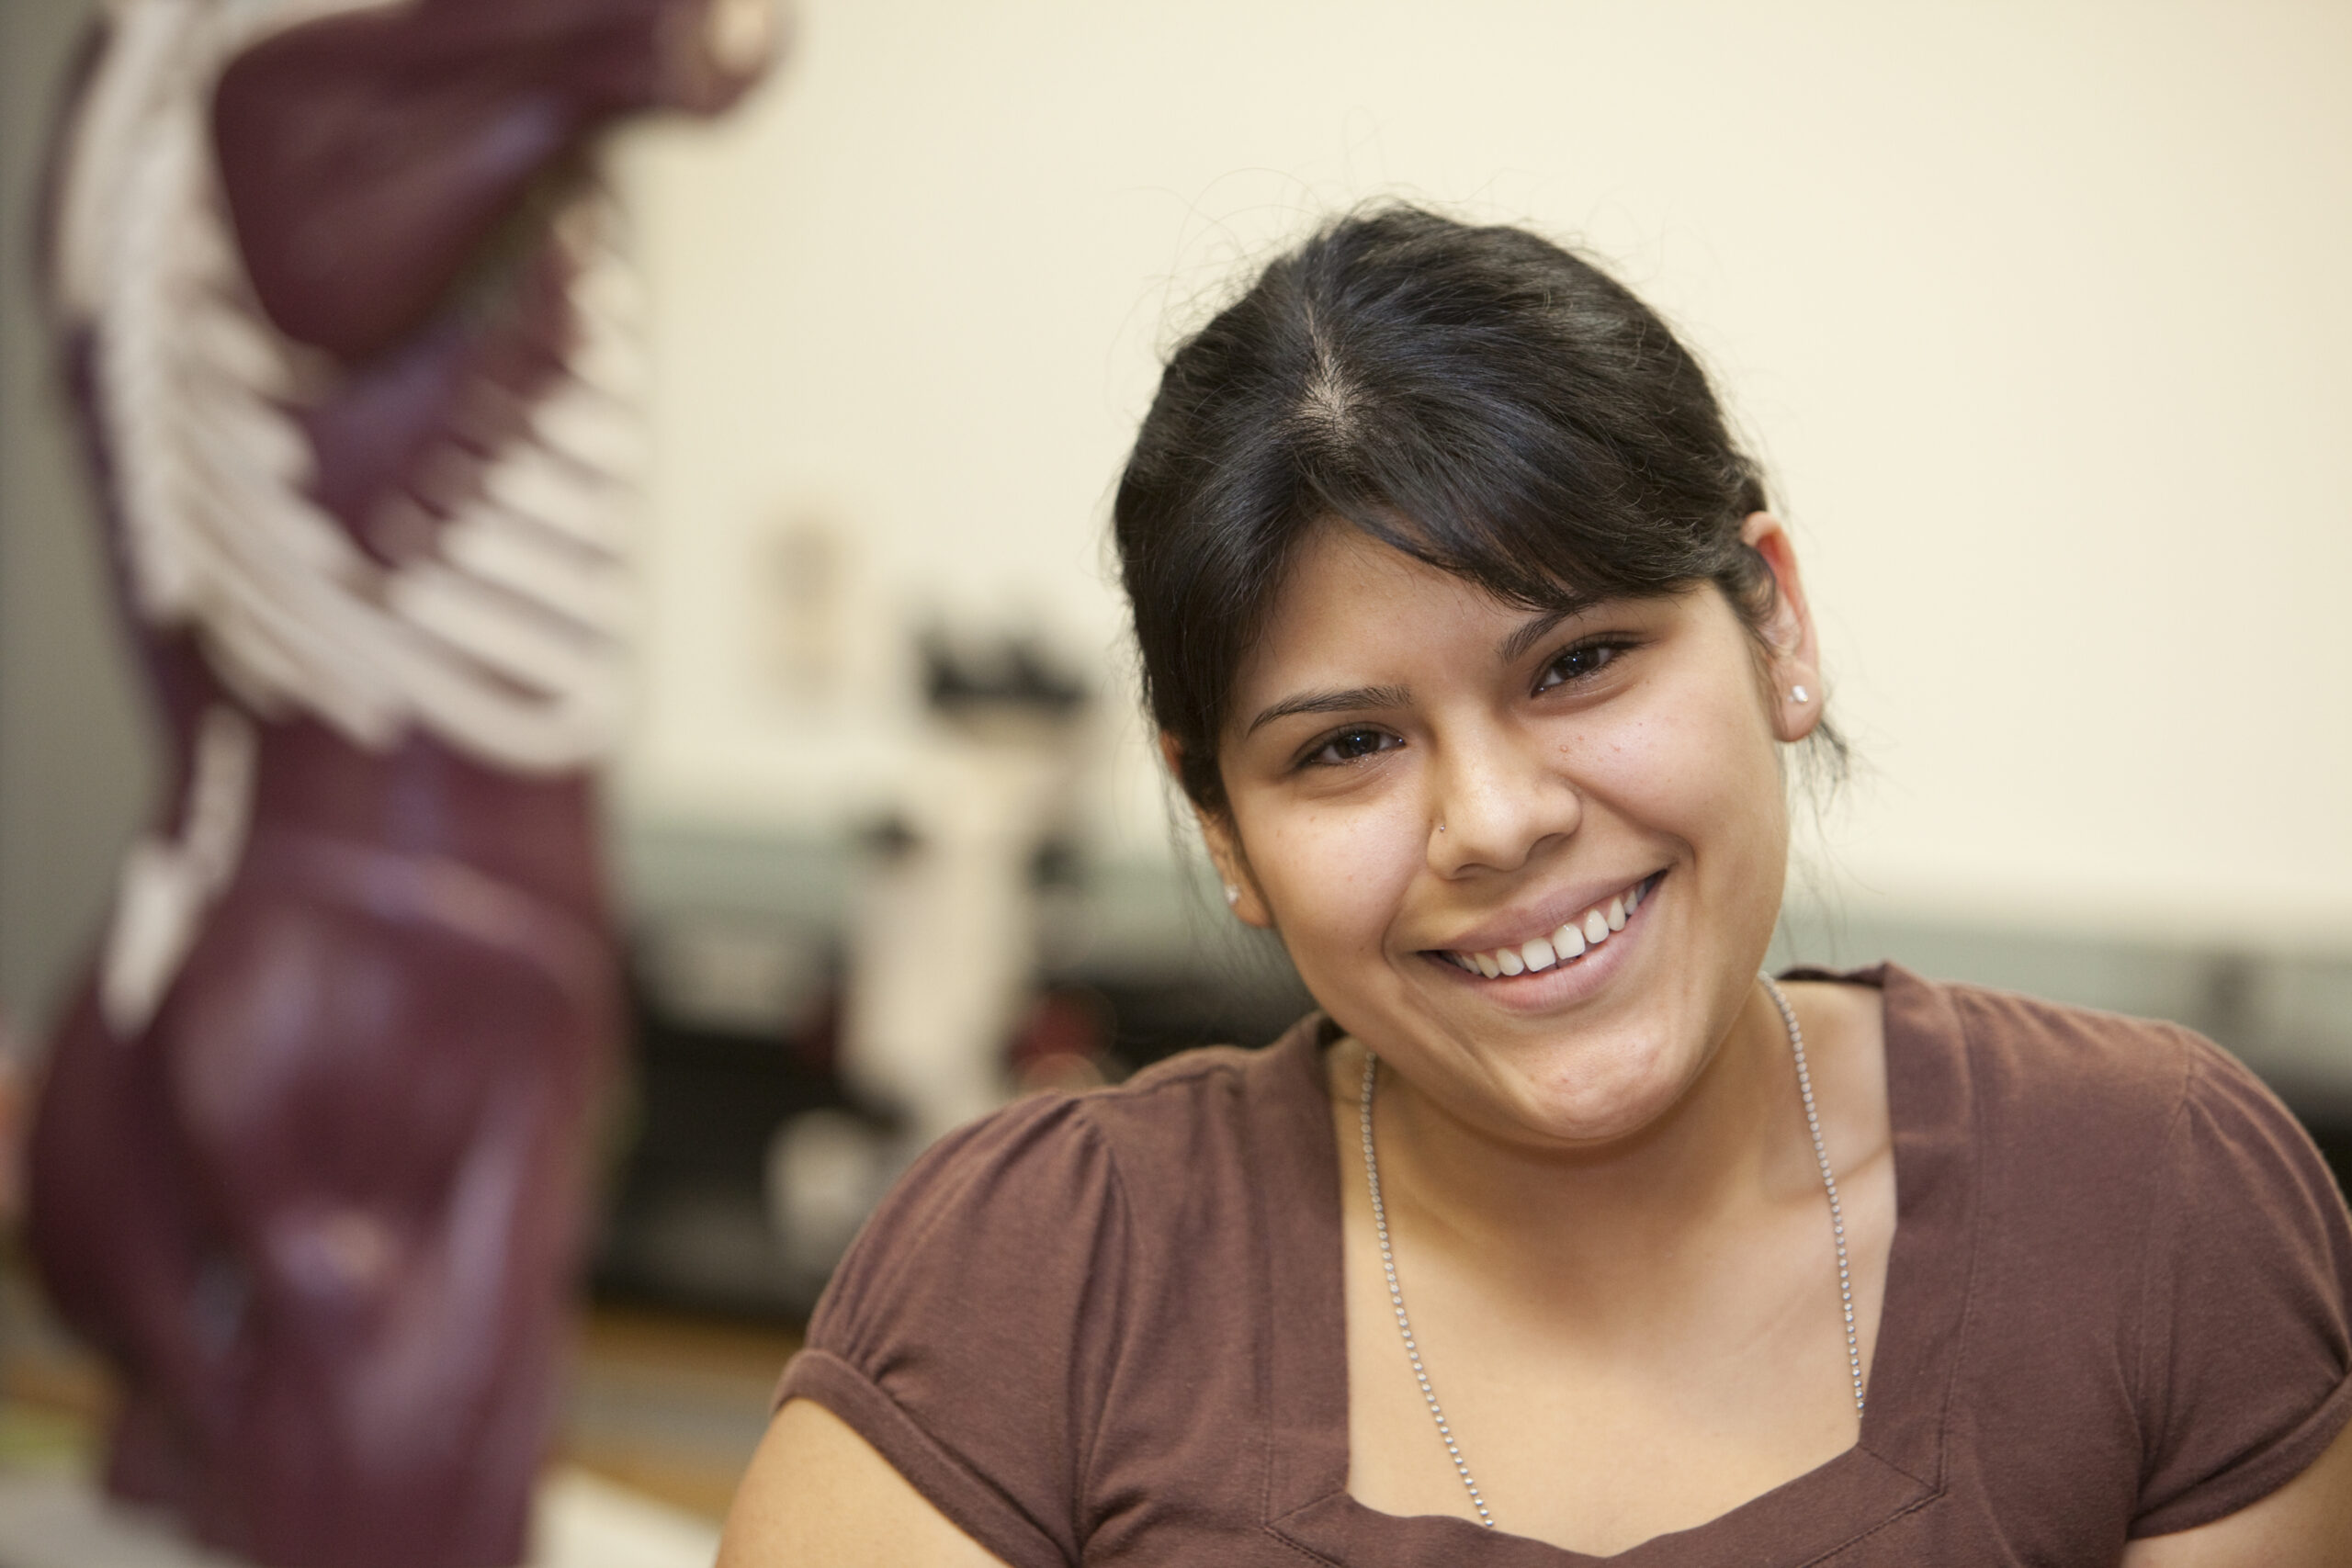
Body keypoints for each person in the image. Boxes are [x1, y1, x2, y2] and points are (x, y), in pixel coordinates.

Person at [718, 208, 2352, 1566]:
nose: (1493, 823)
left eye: (1578, 663)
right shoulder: (1044, 1281)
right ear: (1221, 830)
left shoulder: (2150, 1209)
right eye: (1349, 746)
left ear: (1773, 624)